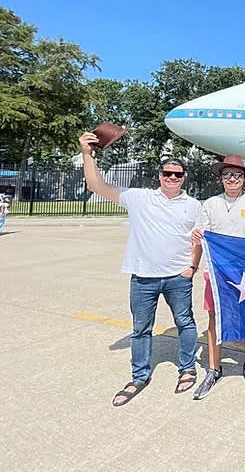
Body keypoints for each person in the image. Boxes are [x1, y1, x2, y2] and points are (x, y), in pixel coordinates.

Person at [78, 132, 201, 406]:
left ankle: (187, 368)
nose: (172, 178)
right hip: (144, 277)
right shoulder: (138, 197)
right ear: (159, 176)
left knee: (185, 322)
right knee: (141, 329)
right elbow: (96, 185)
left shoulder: (194, 206)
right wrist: (87, 154)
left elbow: (198, 240)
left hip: (178, 277)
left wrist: (191, 268)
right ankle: (139, 376)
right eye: (167, 173)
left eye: (177, 174)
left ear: (183, 177)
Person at [191, 155, 245, 400]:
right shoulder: (210, 203)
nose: (232, 179)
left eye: (236, 175)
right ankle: (214, 368)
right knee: (215, 318)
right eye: (227, 175)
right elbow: (201, 236)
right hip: (217, 272)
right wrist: (193, 263)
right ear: (221, 178)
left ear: (244, 178)